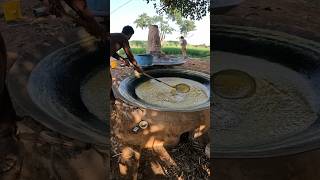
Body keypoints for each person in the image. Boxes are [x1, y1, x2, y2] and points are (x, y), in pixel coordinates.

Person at [109, 26, 143, 101]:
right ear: (130, 34)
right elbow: (130, 56)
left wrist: (123, 59)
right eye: (131, 36)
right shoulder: (123, 37)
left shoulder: (116, 36)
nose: (130, 38)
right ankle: (112, 101)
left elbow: (112, 52)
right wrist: (137, 68)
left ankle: (112, 100)